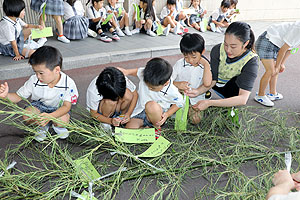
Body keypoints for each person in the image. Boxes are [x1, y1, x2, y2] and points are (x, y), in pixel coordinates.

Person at [0, 46, 79, 142]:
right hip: (40, 106)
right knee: (27, 115)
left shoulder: (68, 83)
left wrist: (50, 116)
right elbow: (17, 97)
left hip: (58, 108)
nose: (38, 76)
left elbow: (66, 106)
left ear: (57, 70)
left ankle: (59, 127)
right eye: (35, 72)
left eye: (41, 73)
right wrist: (6, 95)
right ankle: (42, 126)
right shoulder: (34, 80)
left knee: (62, 120)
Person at [186, 22, 259, 111]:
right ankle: (206, 93)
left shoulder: (251, 61)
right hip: (215, 84)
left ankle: (228, 103)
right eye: (226, 44)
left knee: (238, 89)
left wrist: (210, 103)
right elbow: (213, 79)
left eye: (233, 46)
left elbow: (243, 98)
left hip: (231, 90)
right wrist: (198, 91)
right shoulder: (217, 49)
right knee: (197, 59)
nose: (228, 50)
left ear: (246, 43)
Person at [119, 58, 184, 133]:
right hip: (140, 111)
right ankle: (147, 128)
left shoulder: (172, 91)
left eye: (153, 88)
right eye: (148, 85)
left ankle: (156, 128)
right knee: (130, 129)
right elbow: (138, 71)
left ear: (165, 83)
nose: (149, 88)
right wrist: (126, 72)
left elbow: (179, 103)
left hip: (155, 115)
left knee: (151, 106)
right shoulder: (146, 75)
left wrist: (167, 114)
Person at [254, 21, 300, 107]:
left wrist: (281, 64)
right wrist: (278, 65)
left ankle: (272, 93)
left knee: (276, 70)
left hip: (276, 44)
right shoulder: (298, 29)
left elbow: (292, 49)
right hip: (267, 41)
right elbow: (283, 50)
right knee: (271, 71)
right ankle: (260, 95)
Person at [172, 33, 212, 124]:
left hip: (195, 99)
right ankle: (179, 111)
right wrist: (178, 84)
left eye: (194, 57)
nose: (190, 60)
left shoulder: (205, 66)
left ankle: (188, 111)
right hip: (179, 96)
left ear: (202, 52)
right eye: (186, 57)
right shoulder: (180, 64)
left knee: (195, 120)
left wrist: (206, 65)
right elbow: (168, 81)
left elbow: (207, 83)